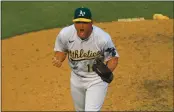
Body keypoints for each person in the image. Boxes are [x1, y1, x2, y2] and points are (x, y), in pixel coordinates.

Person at [53, 7, 119, 111]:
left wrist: (106, 72)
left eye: (85, 22)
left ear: (91, 23)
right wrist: (58, 59)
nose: (81, 25)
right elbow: (61, 50)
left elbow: (113, 58)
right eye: (78, 22)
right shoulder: (65, 34)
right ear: (74, 23)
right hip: (76, 78)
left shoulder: (102, 38)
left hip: (96, 79)